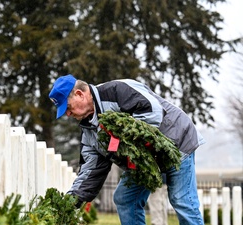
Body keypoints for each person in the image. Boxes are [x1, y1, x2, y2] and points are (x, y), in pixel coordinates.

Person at [48, 74, 205, 225]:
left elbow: (153, 111)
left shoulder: (117, 91)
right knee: (125, 198)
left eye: (68, 107)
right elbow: (90, 171)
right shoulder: (88, 132)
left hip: (176, 142)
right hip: (144, 162)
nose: (67, 114)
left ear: (80, 94)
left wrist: (120, 136)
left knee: (181, 200)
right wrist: (70, 202)